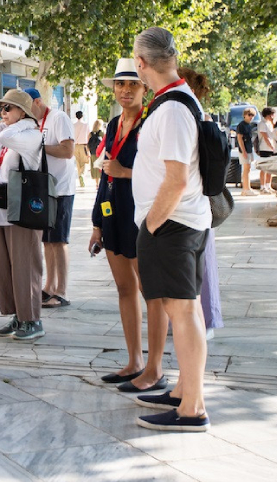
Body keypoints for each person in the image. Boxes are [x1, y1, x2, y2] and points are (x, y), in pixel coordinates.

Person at [130, 26, 211, 432]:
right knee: (184, 308)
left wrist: (151, 223)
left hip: (173, 224)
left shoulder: (175, 108)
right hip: (177, 223)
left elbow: (177, 179)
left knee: (183, 311)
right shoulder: (173, 102)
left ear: (142, 64)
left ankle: (192, 409)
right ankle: (183, 389)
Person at [89, 59, 166, 386]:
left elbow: (168, 174)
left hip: (143, 214)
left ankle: (155, 369)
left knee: (152, 293)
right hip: (113, 212)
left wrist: (126, 172)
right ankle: (134, 361)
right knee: (124, 289)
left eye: (133, 84)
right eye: (120, 84)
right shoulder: (112, 125)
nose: (125, 90)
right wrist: (96, 223)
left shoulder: (152, 123)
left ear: (145, 88)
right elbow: (106, 174)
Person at [0, 90, 46, 340]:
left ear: (22, 112)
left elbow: (4, 136)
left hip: (23, 210)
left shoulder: (31, 134)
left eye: (7, 109)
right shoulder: (9, 134)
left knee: (25, 265)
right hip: (4, 208)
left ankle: (32, 318)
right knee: (6, 266)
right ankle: (17, 315)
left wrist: (20, 123)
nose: (1, 114)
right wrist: (1, 125)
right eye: (0, 109)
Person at [178, 67, 224, 338]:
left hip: (197, 202)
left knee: (201, 263)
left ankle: (205, 320)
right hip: (196, 201)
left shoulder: (196, 119)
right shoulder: (197, 117)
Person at [22, 88, 77, 308]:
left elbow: (68, 150)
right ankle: (49, 286)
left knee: (59, 240)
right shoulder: (33, 123)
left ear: (37, 102)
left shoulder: (58, 118)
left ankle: (61, 290)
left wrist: (39, 147)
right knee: (47, 240)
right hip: (42, 188)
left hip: (60, 188)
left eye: (27, 107)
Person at [257, 107, 277, 194]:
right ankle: (262, 186)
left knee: (270, 168)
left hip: (271, 148)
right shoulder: (262, 124)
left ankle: (268, 185)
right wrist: (271, 146)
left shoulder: (270, 123)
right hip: (264, 148)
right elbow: (265, 136)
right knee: (264, 168)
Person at [235, 108, 257, 196]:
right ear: (245, 115)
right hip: (244, 149)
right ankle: (245, 188)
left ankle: (247, 187)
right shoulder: (241, 125)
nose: (251, 117)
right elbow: (240, 139)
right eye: (249, 115)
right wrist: (243, 151)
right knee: (246, 168)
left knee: (248, 168)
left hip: (248, 148)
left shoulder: (249, 125)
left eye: (252, 116)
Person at [73, 110, 91, 188]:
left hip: (75, 146)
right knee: (85, 161)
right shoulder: (86, 125)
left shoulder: (73, 125)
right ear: (82, 116)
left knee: (77, 162)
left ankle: (80, 175)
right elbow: (89, 135)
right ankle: (82, 175)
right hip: (83, 145)